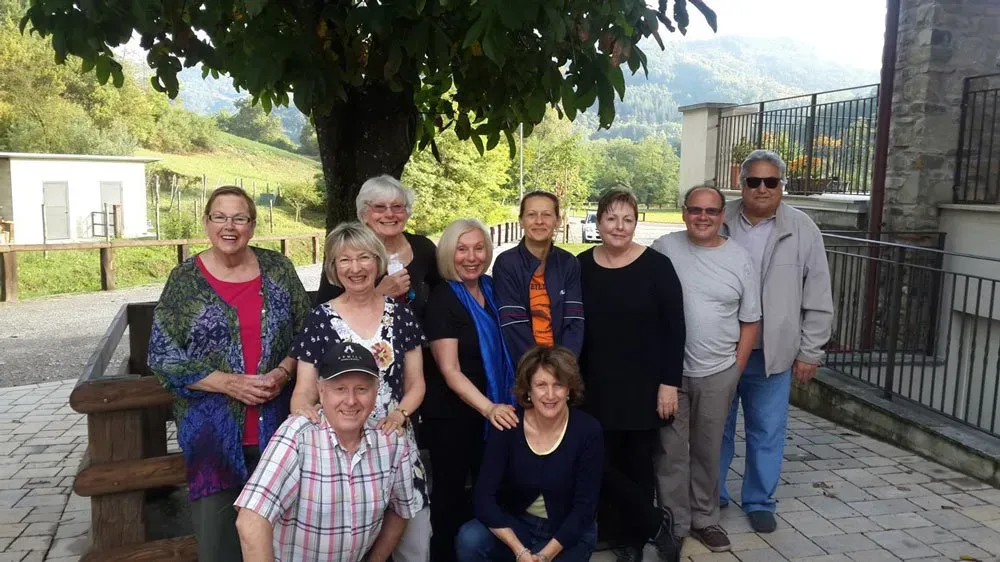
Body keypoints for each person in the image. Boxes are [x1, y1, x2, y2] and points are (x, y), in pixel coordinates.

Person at [148, 185, 310, 562]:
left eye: (240, 218)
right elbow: (162, 354)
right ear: (206, 222)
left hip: (279, 429)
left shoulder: (278, 270)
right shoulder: (185, 281)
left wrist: (284, 372)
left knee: (285, 539)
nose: (230, 226)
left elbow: (308, 332)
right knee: (219, 544)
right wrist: (228, 383)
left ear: (252, 225)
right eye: (220, 217)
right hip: (211, 435)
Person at [290, 221, 431, 561]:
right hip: (340, 458)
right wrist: (304, 415)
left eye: (364, 257)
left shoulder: (402, 317)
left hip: (394, 442)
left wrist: (400, 414)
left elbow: (416, 384)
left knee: (414, 544)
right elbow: (303, 393)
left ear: (378, 261)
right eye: (345, 260)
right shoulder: (319, 320)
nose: (356, 268)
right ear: (333, 268)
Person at [718, 150, 834, 533]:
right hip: (720, 352)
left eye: (772, 181)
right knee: (714, 428)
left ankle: (758, 500)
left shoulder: (803, 229)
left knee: (766, 430)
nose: (763, 189)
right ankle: (712, 496)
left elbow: (818, 296)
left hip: (773, 354)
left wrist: (810, 350)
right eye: (754, 181)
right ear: (741, 183)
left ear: (783, 185)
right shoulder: (720, 221)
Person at [234, 341, 421, 561]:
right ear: (321, 392)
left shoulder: (391, 443)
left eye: (361, 389)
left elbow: (401, 511)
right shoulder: (299, 435)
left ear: (375, 391)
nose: (350, 400)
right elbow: (250, 520)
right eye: (340, 389)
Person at [651, 186, 761, 552]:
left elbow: (750, 320)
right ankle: (673, 522)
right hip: (669, 373)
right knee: (670, 451)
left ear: (721, 216)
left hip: (717, 371)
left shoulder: (739, 258)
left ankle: (705, 519)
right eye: (695, 209)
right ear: (684, 213)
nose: (703, 217)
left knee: (707, 449)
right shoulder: (665, 248)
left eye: (711, 211)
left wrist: (736, 368)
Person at [577, 188, 685, 562]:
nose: (619, 227)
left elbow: (676, 329)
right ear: (599, 220)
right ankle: (655, 524)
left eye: (627, 219)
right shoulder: (581, 266)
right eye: (611, 218)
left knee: (638, 464)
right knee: (600, 462)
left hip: (644, 386)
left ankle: (634, 541)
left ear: (635, 223)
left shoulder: (657, 266)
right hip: (595, 386)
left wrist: (669, 384)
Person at [423, 219, 518, 562]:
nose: (471, 257)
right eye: (462, 249)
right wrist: (490, 409)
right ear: (449, 253)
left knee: (490, 492)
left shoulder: (492, 290)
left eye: (479, 248)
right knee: (449, 497)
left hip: (494, 414)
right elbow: (450, 371)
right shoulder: (443, 299)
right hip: (454, 417)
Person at [455, 346, 603, 562]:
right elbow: (484, 498)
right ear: (528, 391)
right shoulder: (509, 425)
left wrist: (543, 556)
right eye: (541, 385)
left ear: (569, 389)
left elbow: (584, 509)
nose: (550, 395)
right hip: (518, 524)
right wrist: (520, 551)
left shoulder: (588, 430)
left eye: (558, 385)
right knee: (470, 538)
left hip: (567, 531)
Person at [314, 174, 441, 318]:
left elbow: (442, 295)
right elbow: (325, 315)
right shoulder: (346, 251)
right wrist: (379, 295)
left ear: (407, 212)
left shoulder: (423, 247)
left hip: (418, 338)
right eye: (379, 207)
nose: (389, 214)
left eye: (397, 207)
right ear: (364, 214)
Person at [494, 190, 584, 362]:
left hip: (563, 366)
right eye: (531, 215)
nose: (539, 221)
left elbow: (574, 321)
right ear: (521, 221)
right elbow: (513, 325)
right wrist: (538, 370)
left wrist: (563, 367)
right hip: (523, 365)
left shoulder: (568, 263)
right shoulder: (506, 264)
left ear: (558, 221)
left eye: (547, 215)